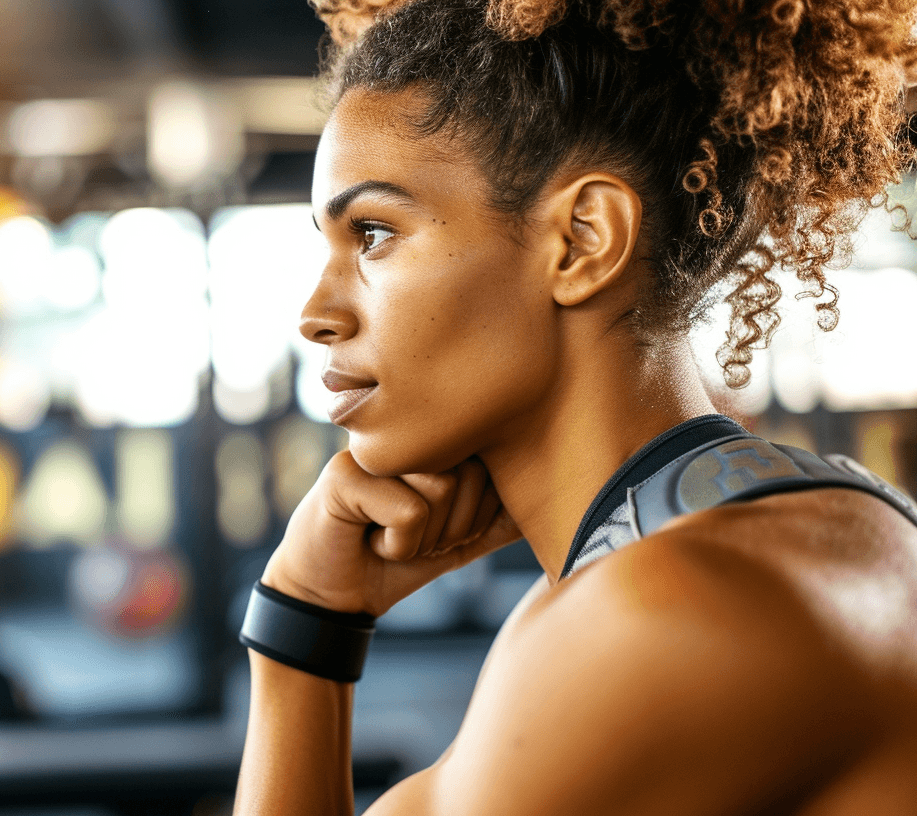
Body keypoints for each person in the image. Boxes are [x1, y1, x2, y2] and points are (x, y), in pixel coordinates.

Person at [232, 0, 917, 813]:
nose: (315, 312)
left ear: (584, 240)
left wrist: (299, 627)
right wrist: (313, 609)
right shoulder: (804, 528)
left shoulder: (661, 614)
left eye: (374, 233)